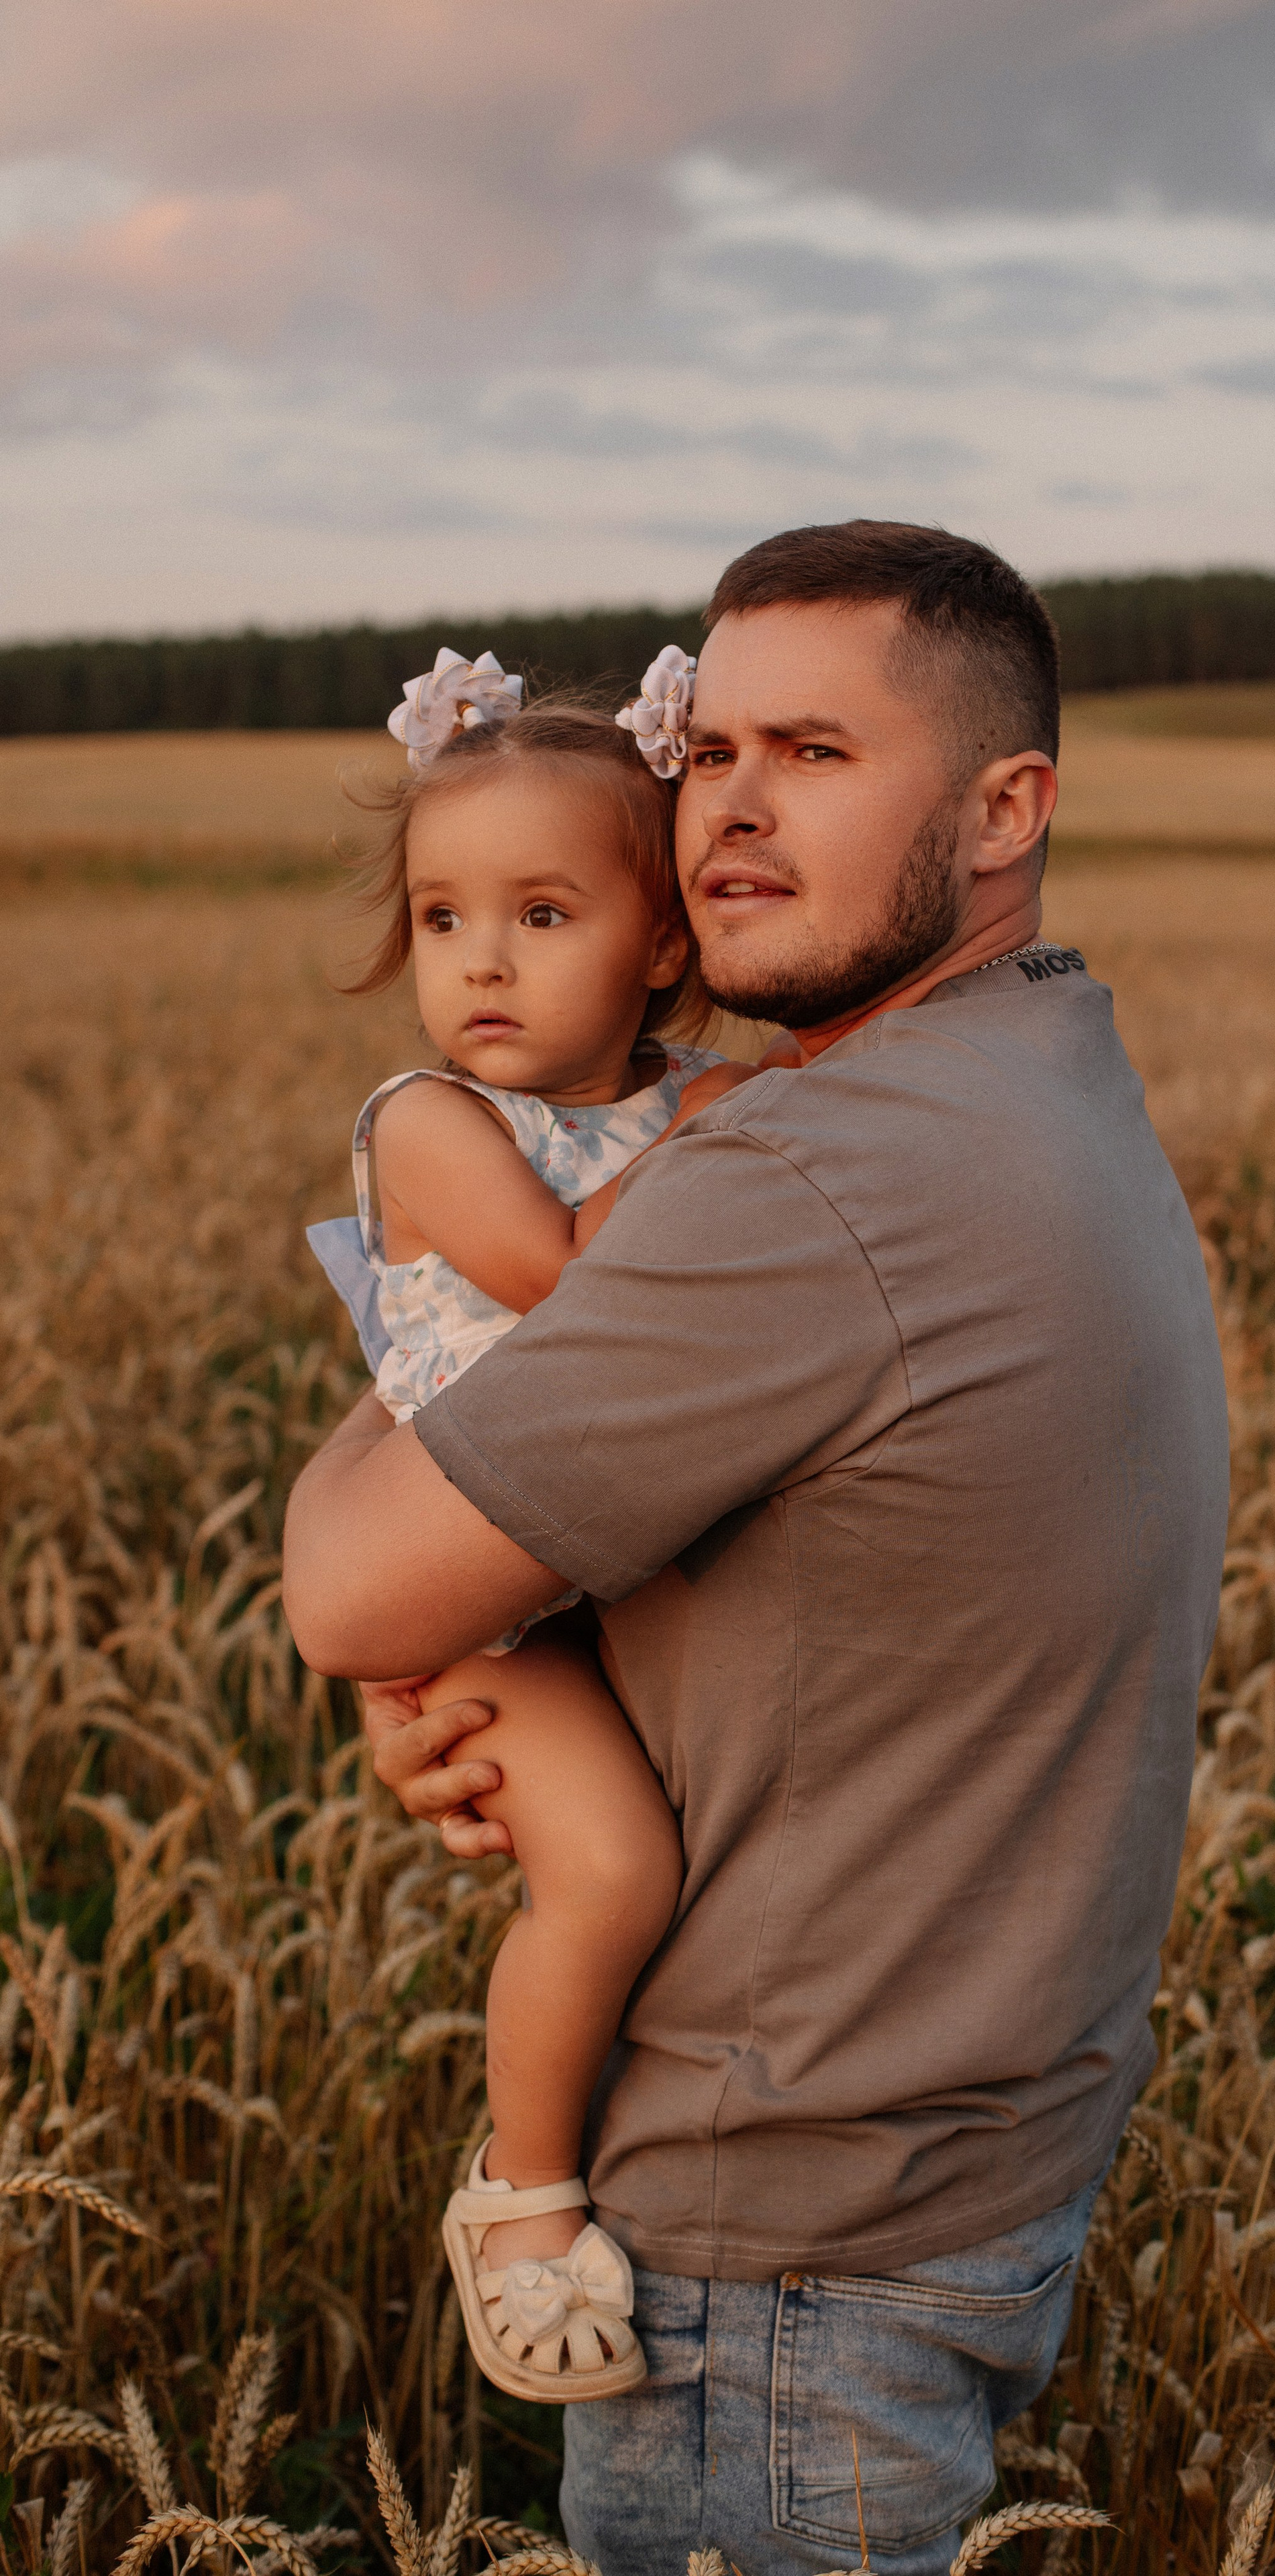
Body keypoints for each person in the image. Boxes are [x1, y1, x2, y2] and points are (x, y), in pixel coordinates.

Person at [283, 521, 1230, 2576]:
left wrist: (397, 1506)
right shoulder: (1031, 1070)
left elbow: (350, 1592)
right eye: (707, 752)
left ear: (1007, 810)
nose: (728, 812)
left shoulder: (807, 1170)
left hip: (784, 2253)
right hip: (961, 2158)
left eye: (812, 752)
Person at [303, 664, 754, 2404]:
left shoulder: (703, 1105)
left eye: (543, 913)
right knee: (615, 1871)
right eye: (442, 917)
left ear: (659, 940)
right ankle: (522, 2190)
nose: (478, 963)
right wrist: (729, 1135)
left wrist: (732, 1116)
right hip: (477, 1602)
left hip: (582, 1579)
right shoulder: (431, 1123)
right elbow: (570, 1289)